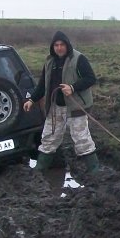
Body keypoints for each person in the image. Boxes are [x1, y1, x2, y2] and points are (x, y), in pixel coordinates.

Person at [22, 31, 99, 173]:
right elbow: (42, 84)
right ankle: (39, 171)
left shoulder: (78, 58)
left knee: (81, 139)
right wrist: (32, 99)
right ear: (53, 47)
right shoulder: (49, 61)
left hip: (76, 106)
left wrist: (73, 87)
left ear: (67, 45)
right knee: (48, 138)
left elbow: (91, 78)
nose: (59, 48)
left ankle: (95, 172)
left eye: (62, 44)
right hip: (55, 107)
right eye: (56, 45)